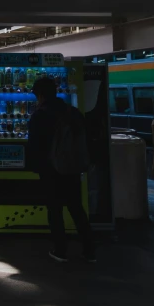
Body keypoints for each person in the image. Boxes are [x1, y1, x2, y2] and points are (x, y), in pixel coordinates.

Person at [28, 76, 95, 263]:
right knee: (77, 209)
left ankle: (60, 250)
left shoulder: (40, 114)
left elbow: (35, 144)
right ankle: (90, 251)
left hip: (51, 170)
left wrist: (34, 165)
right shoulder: (72, 111)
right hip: (72, 168)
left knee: (55, 210)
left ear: (40, 94)